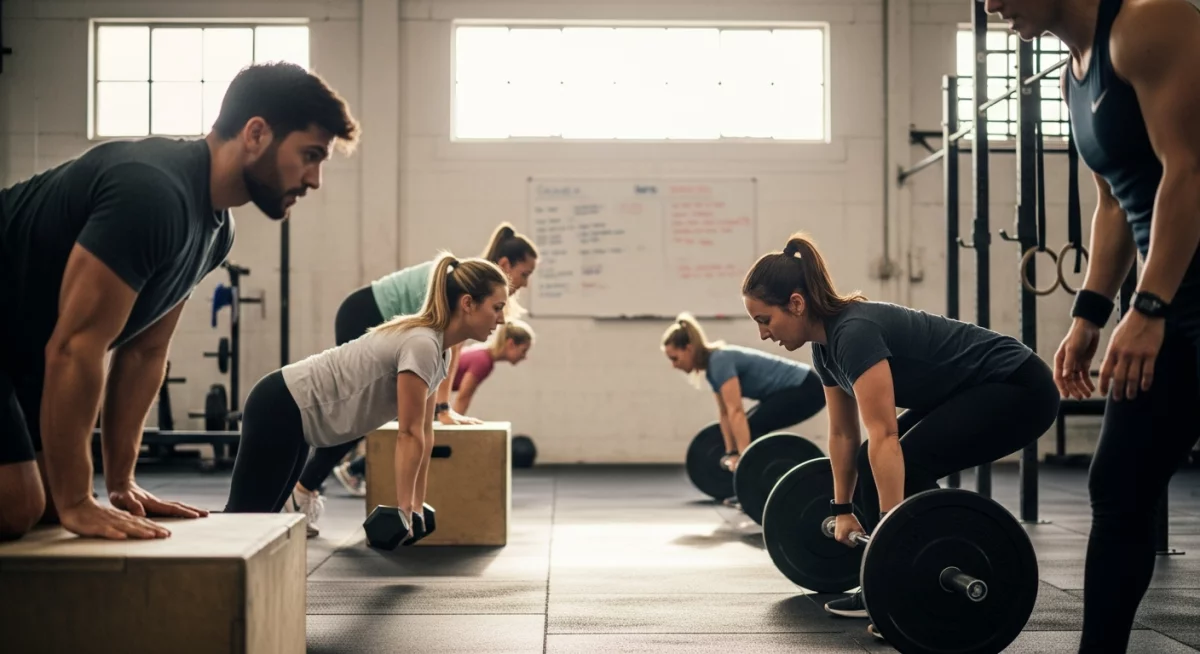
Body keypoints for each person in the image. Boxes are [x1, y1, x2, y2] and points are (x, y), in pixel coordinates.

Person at [0, 62, 359, 541]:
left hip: (19, 351)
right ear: (256, 134)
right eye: (309, 155)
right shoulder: (151, 193)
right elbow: (76, 348)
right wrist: (79, 501)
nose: (313, 179)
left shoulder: (217, 231)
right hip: (19, 343)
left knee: (44, 505)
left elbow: (145, 351)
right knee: (19, 506)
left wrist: (121, 481)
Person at [984, 0, 1200, 650]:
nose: (992, 5)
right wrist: (1090, 314)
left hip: (1173, 304)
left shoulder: (1148, 24)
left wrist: (1149, 306)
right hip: (1172, 306)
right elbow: (1114, 201)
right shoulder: (1072, 75)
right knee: (1119, 487)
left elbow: (1189, 170)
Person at [741, 233, 1060, 640]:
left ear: (797, 304)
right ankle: (884, 585)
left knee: (909, 460)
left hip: (1018, 386)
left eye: (764, 320)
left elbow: (886, 434)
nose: (763, 334)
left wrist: (890, 536)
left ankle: (907, 582)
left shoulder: (853, 333)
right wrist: (842, 508)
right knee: (865, 459)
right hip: (968, 391)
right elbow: (842, 433)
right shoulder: (823, 349)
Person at [223, 253, 508, 542]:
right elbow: (408, 434)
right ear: (468, 303)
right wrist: (404, 507)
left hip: (297, 419)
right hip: (280, 406)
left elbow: (424, 431)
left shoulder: (439, 351)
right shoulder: (421, 344)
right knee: (244, 521)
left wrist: (416, 504)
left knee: (262, 522)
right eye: (497, 307)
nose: (502, 318)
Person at [282, 223, 537, 534]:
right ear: (506, 265)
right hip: (366, 311)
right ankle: (301, 491)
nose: (525, 283)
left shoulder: (473, 280)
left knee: (389, 416)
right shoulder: (467, 283)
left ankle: (305, 488)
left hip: (372, 314)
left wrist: (440, 412)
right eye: (525, 273)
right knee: (359, 413)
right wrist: (444, 408)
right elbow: (451, 347)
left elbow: (446, 351)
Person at [329, 318, 535, 500]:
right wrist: (455, 427)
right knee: (407, 434)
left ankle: (352, 468)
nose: (524, 357)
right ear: (510, 344)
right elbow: (463, 395)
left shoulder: (481, 354)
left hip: (424, 386)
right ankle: (352, 469)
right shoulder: (484, 362)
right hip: (419, 382)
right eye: (523, 350)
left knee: (404, 432)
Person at [662, 313, 825, 479]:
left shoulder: (719, 361)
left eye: (675, 358)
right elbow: (725, 414)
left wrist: (740, 459)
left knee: (751, 429)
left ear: (688, 349)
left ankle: (757, 481)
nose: (674, 365)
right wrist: (731, 452)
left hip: (807, 387)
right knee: (748, 429)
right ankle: (752, 482)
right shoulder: (713, 368)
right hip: (794, 388)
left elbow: (736, 410)